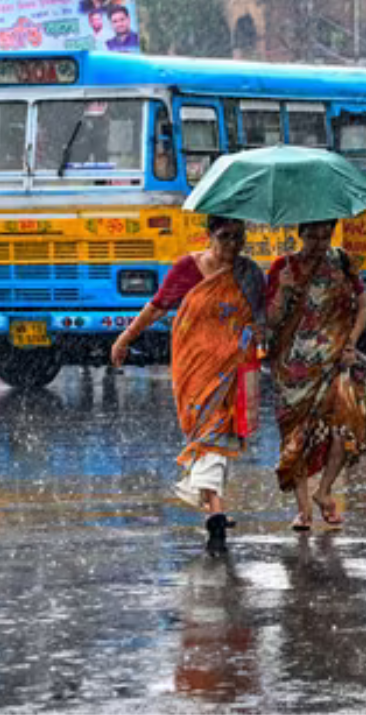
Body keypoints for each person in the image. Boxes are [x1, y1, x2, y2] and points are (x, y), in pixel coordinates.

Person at [111, 215, 264, 553]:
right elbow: (156, 308)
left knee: (218, 435)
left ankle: (215, 510)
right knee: (208, 434)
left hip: (233, 367)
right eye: (225, 237)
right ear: (208, 236)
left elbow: (262, 319)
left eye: (239, 237)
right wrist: (124, 338)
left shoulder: (249, 274)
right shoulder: (187, 269)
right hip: (194, 367)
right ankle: (215, 508)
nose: (233, 245)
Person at [265, 220, 366, 531]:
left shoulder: (343, 262)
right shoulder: (283, 268)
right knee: (296, 437)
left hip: (338, 361)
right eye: (312, 236)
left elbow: (363, 307)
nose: (319, 243)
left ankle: (324, 491)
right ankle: (302, 510)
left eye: (325, 235)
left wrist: (351, 341)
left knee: (345, 428)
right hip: (293, 367)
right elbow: (271, 320)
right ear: (300, 234)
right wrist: (284, 289)